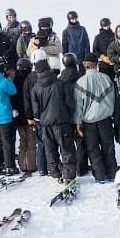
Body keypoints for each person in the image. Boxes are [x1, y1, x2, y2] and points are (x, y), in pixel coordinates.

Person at [30, 53, 76, 183]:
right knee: (66, 149)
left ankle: (56, 172)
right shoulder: (60, 83)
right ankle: (68, 174)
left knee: (50, 150)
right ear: (48, 68)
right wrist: (70, 115)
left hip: (46, 124)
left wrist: (41, 118)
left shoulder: (36, 88)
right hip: (62, 121)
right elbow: (69, 103)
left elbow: (36, 110)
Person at [74, 53, 117, 183]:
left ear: (85, 65)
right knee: (108, 147)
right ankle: (112, 173)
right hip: (105, 119)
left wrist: (78, 122)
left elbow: (78, 106)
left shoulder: (80, 82)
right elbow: (113, 98)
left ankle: (100, 176)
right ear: (96, 64)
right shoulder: (106, 79)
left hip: (89, 122)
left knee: (93, 149)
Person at [13, 58, 36, 173]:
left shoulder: (14, 80)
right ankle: (31, 164)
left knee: (23, 140)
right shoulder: (31, 80)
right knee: (31, 140)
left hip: (17, 115)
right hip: (29, 115)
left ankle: (22, 164)